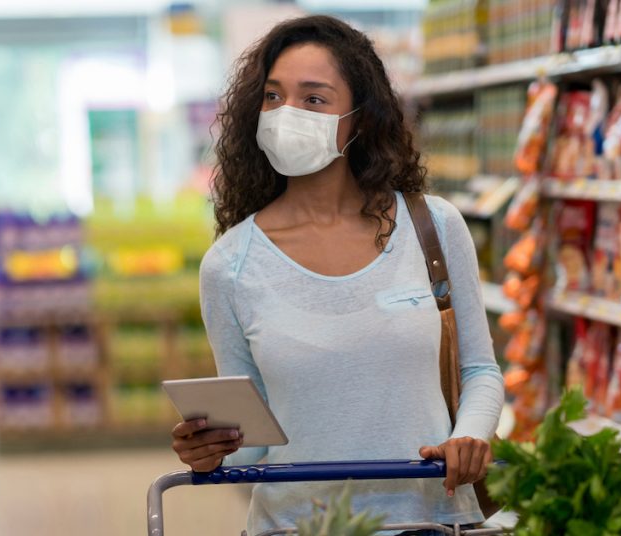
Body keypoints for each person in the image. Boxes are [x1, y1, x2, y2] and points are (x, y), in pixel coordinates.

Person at [170, 15, 504, 536]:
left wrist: (471, 437)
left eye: (314, 99)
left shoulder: (433, 228)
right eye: (274, 97)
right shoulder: (231, 265)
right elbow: (253, 437)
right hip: (296, 526)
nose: (287, 115)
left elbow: (480, 370)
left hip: (429, 520)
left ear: (360, 119)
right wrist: (210, 453)